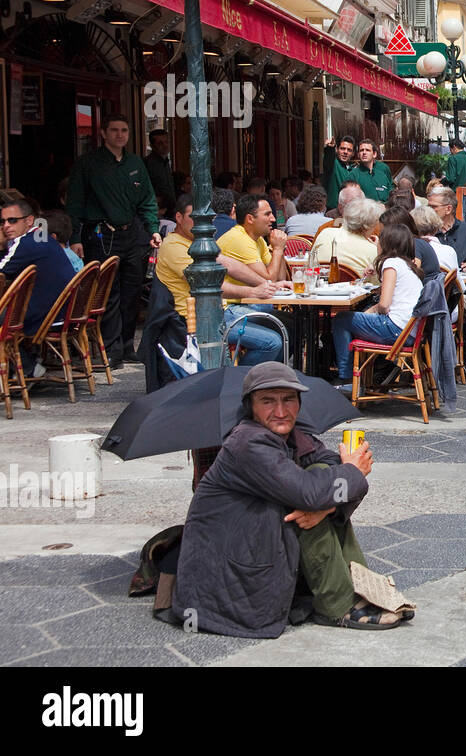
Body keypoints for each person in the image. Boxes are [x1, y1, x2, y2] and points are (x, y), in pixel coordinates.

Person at [171, 362, 400, 636]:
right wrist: (351, 471)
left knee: (321, 478)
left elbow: (327, 465)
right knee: (311, 496)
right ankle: (338, 604)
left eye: (288, 399)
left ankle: (358, 588)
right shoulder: (248, 443)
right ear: (251, 407)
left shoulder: (293, 435)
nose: (280, 411)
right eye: (268, 401)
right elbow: (308, 492)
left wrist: (326, 507)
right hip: (232, 576)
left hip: (263, 546)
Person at [65, 115, 162, 364]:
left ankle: (128, 345)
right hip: (100, 234)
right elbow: (74, 203)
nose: (120, 135)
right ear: (104, 133)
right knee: (108, 293)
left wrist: (153, 228)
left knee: (132, 291)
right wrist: (75, 237)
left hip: (132, 233)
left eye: (125, 130)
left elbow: (147, 199)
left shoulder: (135, 163)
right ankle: (111, 349)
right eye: (115, 130)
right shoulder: (88, 163)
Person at [155, 193, 288, 359]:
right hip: (198, 318)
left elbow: (229, 264)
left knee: (287, 324)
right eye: (193, 217)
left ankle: (269, 379)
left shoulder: (199, 241)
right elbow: (207, 284)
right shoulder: (173, 246)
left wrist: (267, 283)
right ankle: (241, 382)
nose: (200, 223)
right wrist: (252, 292)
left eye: (205, 218)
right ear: (179, 217)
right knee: (272, 341)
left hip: (219, 311)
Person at [332, 224, 427, 389]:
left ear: (386, 244)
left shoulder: (391, 263)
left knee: (341, 319)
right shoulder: (407, 265)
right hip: (411, 332)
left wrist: (371, 313)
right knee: (356, 316)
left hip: (396, 330)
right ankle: (377, 370)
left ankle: (346, 377)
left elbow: (384, 305)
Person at [0, 197, 75, 352]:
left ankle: (24, 366)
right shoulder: (42, 236)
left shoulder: (25, 242)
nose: (6, 226)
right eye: (3, 222)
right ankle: (25, 365)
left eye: (12, 220)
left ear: (29, 220)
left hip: (46, 316)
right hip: (63, 311)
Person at [217, 194, 291, 365]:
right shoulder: (239, 238)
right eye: (267, 214)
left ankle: (271, 375)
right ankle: (243, 380)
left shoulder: (257, 239)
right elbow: (270, 280)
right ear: (250, 218)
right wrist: (278, 249)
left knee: (293, 326)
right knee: (274, 341)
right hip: (229, 310)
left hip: (250, 305)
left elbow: (278, 278)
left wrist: (276, 249)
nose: (273, 219)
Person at [311, 197, 385, 278]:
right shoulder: (372, 250)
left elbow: (310, 264)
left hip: (320, 287)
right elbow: (379, 282)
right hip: (357, 289)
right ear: (370, 225)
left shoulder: (325, 233)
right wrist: (378, 250)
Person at [379, 205, 439, 275]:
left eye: (383, 233)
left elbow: (413, 271)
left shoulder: (414, 244)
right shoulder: (410, 243)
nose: (382, 237)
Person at [322, 135, 359, 210]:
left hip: (351, 211)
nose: (345, 152)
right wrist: (330, 148)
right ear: (337, 150)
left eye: (349, 150)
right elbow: (328, 159)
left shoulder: (355, 169)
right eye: (342, 149)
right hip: (333, 211)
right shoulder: (333, 164)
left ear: (353, 153)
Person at [144, 129, 175, 211]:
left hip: (170, 208)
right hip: (157, 210)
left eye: (166, 142)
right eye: (160, 143)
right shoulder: (148, 163)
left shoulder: (166, 162)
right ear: (152, 146)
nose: (165, 145)